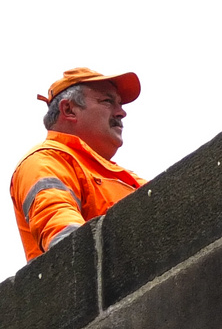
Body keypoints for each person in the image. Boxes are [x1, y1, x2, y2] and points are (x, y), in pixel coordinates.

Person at [10, 68, 147, 262]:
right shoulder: (45, 162)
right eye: (107, 101)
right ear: (69, 110)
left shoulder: (126, 176)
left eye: (119, 104)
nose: (121, 112)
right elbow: (68, 243)